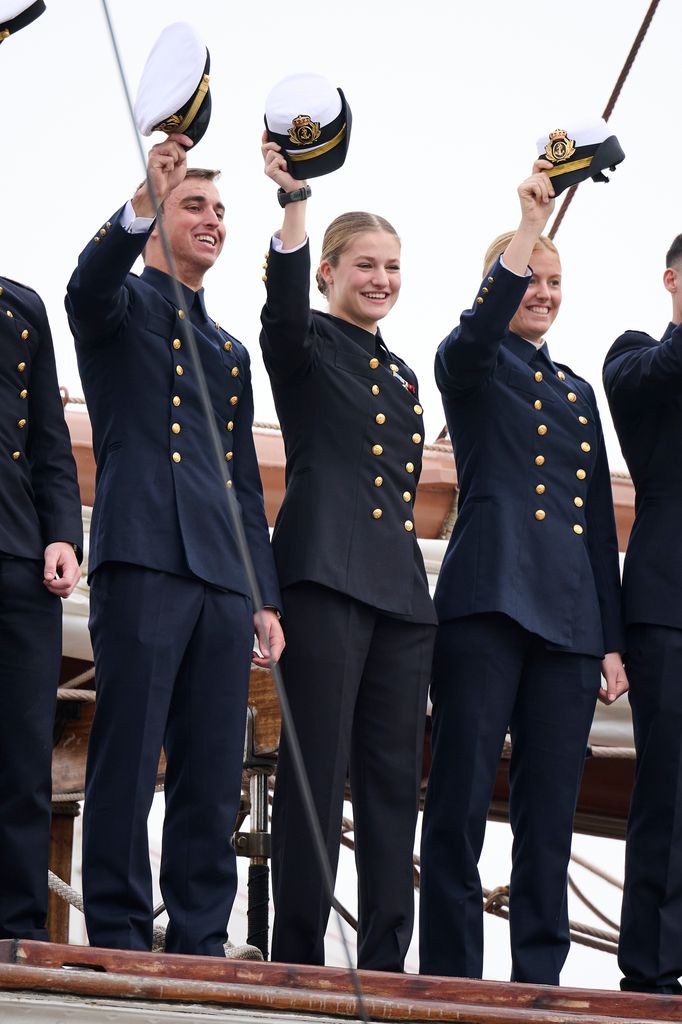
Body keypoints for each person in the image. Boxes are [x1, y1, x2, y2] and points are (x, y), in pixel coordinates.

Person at [65, 134, 284, 957]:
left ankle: (198, 933)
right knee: (128, 749)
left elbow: (241, 484)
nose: (212, 221)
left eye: (221, 210)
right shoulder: (119, 306)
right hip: (145, 555)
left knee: (210, 764)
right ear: (157, 217)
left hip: (222, 580)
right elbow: (83, 288)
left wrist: (263, 595)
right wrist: (141, 197)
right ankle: (117, 928)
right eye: (194, 205)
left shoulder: (227, 350)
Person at [419, 160, 627, 986]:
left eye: (554, 281)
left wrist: (610, 642)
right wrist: (530, 223)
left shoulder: (577, 394)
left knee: (550, 814)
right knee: (462, 797)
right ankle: (452, 974)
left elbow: (594, 530)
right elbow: (474, 336)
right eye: (530, 278)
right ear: (500, 285)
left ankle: (539, 977)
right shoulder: (471, 364)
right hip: (486, 604)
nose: (543, 291)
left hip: (571, 626)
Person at [260, 135, 437, 971]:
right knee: (313, 779)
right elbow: (281, 313)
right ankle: (296, 957)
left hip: (401, 597)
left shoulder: (403, 375)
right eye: (365, 264)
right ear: (329, 271)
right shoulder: (304, 345)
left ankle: (385, 964)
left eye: (393, 267)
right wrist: (297, 204)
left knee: (393, 785)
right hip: (323, 576)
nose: (381, 280)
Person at [603, 234, 682, 995]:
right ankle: (653, 970)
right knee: (670, 789)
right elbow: (658, 375)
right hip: (670, 608)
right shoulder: (636, 357)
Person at [0, 273, 83, 940]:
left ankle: (17, 935)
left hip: (21, 562)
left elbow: (50, 441)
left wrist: (61, 531)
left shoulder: (21, 304)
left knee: (23, 759)